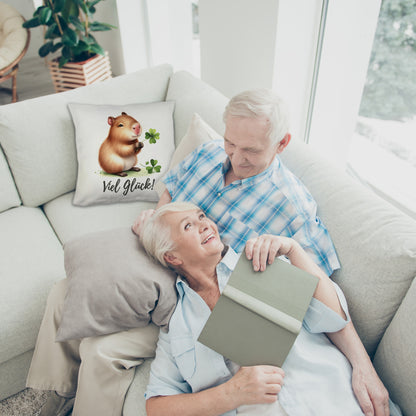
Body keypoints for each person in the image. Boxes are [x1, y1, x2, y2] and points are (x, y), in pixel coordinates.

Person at [133, 89, 389, 414]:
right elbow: (172, 186)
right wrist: (159, 225)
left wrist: (363, 366)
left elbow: (323, 301)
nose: (236, 158)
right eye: (231, 143)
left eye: (250, 150)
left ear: (281, 144)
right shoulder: (209, 154)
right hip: (170, 289)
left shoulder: (288, 218)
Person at [140, 202, 398, 416]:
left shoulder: (261, 261)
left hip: (338, 401)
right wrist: (231, 393)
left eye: (202, 216)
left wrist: (294, 250)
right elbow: (157, 407)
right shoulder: (177, 326)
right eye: (188, 226)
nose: (205, 224)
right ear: (172, 257)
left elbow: (333, 318)